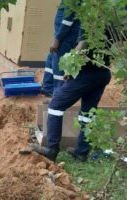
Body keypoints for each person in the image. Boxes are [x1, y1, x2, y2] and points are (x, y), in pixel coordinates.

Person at [30, 28, 112, 162]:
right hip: (103, 73)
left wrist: (69, 69)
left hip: (86, 73)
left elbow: (82, 45)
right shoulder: (115, 20)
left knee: (55, 106)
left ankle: (52, 149)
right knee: (87, 113)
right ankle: (81, 152)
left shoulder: (91, 17)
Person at [41, 0, 80, 98]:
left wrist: (57, 39)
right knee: (51, 59)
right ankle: (48, 88)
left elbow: (68, 19)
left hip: (66, 36)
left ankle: (58, 92)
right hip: (61, 34)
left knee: (59, 63)